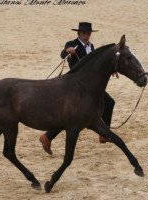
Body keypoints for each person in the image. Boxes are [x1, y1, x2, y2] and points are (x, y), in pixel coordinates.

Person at [39, 22, 115, 155]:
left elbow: (97, 65)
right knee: (71, 118)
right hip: (75, 86)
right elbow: (63, 54)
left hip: (90, 86)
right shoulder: (72, 43)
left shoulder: (91, 46)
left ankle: (104, 134)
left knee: (109, 102)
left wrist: (111, 70)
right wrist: (68, 51)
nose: (86, 35)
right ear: (79, 33)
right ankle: (47, 137)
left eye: (88, 33)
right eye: (84, 33)